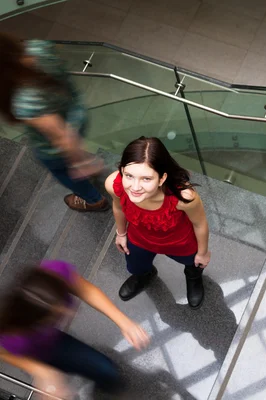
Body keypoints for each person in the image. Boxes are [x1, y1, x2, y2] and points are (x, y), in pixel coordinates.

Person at [0, 260, 150, 399]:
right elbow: (5, 353)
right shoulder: (11, 336)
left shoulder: (54, 273)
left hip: (55, 341)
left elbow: (86, 290)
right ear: (34, 320)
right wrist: (40, 371)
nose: (69, 312)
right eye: (55, 316)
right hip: (35, 352)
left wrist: (122, 320)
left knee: (106, 369)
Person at [0, 33, 108, 212]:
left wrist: (81, 163)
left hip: (54, 147)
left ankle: (94, 200)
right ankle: (93, 172)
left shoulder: (25, 102)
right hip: (76, 114)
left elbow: (62, 137)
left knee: (63, 172)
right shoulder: (38, 47)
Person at [105, 137, 210, 309]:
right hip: (139, 239)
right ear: (122, 170)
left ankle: (193, 277)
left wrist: (203, 252)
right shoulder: (113, 184)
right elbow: (118, 207)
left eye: (146, 179)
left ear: (162, 179)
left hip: (179, 243)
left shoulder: (184, 197)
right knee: (136, 265)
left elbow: (200, 224)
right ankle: (144, 275)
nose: (135, 187)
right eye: (129, 175)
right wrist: (121, 233)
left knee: (193, 264)